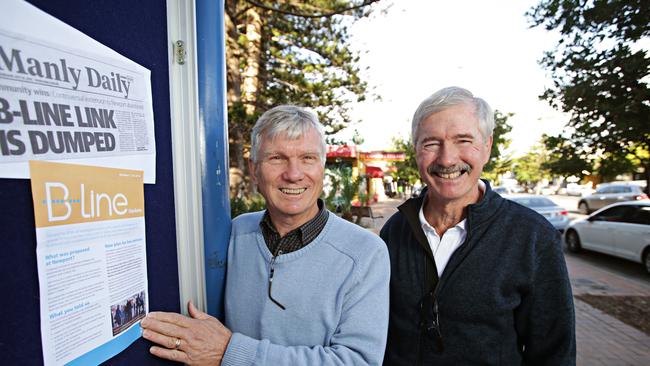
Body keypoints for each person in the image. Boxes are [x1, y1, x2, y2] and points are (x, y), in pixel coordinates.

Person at [141, 105, 390, 365]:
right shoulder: (235, 233)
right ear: (254, 169)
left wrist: (229, 352)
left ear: (322, 168)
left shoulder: (365, 253)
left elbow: (358, 362)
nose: (293, 174)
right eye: (277, 158)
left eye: (307, 158)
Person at [380, 87, 575, 365]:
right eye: (431, 143)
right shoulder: (395, 231)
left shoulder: (532, 237)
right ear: (416, 152)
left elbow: (555, 352)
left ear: (487, 147)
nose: (447, 159)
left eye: (463, 140)